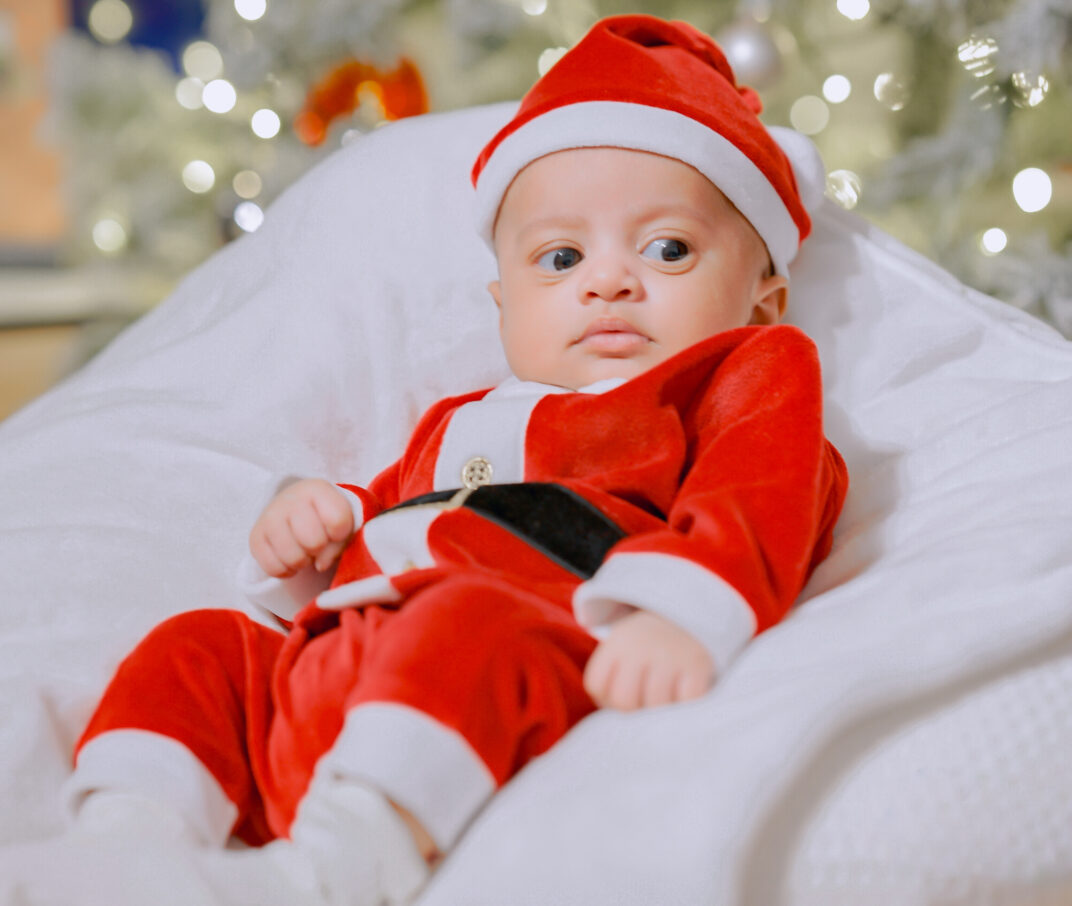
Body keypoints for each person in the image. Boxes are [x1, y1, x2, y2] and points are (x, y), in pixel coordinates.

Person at [61, 14, 849, 906]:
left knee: (464, 624)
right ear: (503, 304)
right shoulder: (458, 421)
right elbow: (400, 508)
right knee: (201, 646)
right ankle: (128, 847)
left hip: (506, 653)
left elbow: (762, 494)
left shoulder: (737, 374)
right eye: (561, 257)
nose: (609, 281)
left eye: (668, 249)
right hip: (332, 661)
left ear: (763, 299)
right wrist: (323, 519)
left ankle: (333, 868)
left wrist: (679, 613)